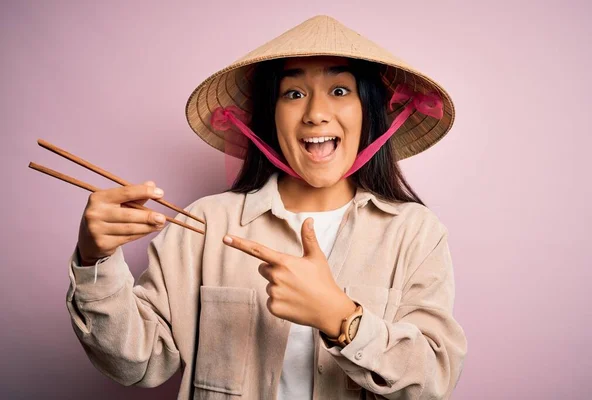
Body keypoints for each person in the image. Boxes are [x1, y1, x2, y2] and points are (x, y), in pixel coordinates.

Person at [67, 15, 468, 400]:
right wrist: (94, 261)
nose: (315, 114)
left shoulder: (415, 232)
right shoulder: (206, 222)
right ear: (269, 117)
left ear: (369, 112)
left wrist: (342, 319)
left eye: (340, 90)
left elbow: (434, 382)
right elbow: (138, 363)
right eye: (293, 94)